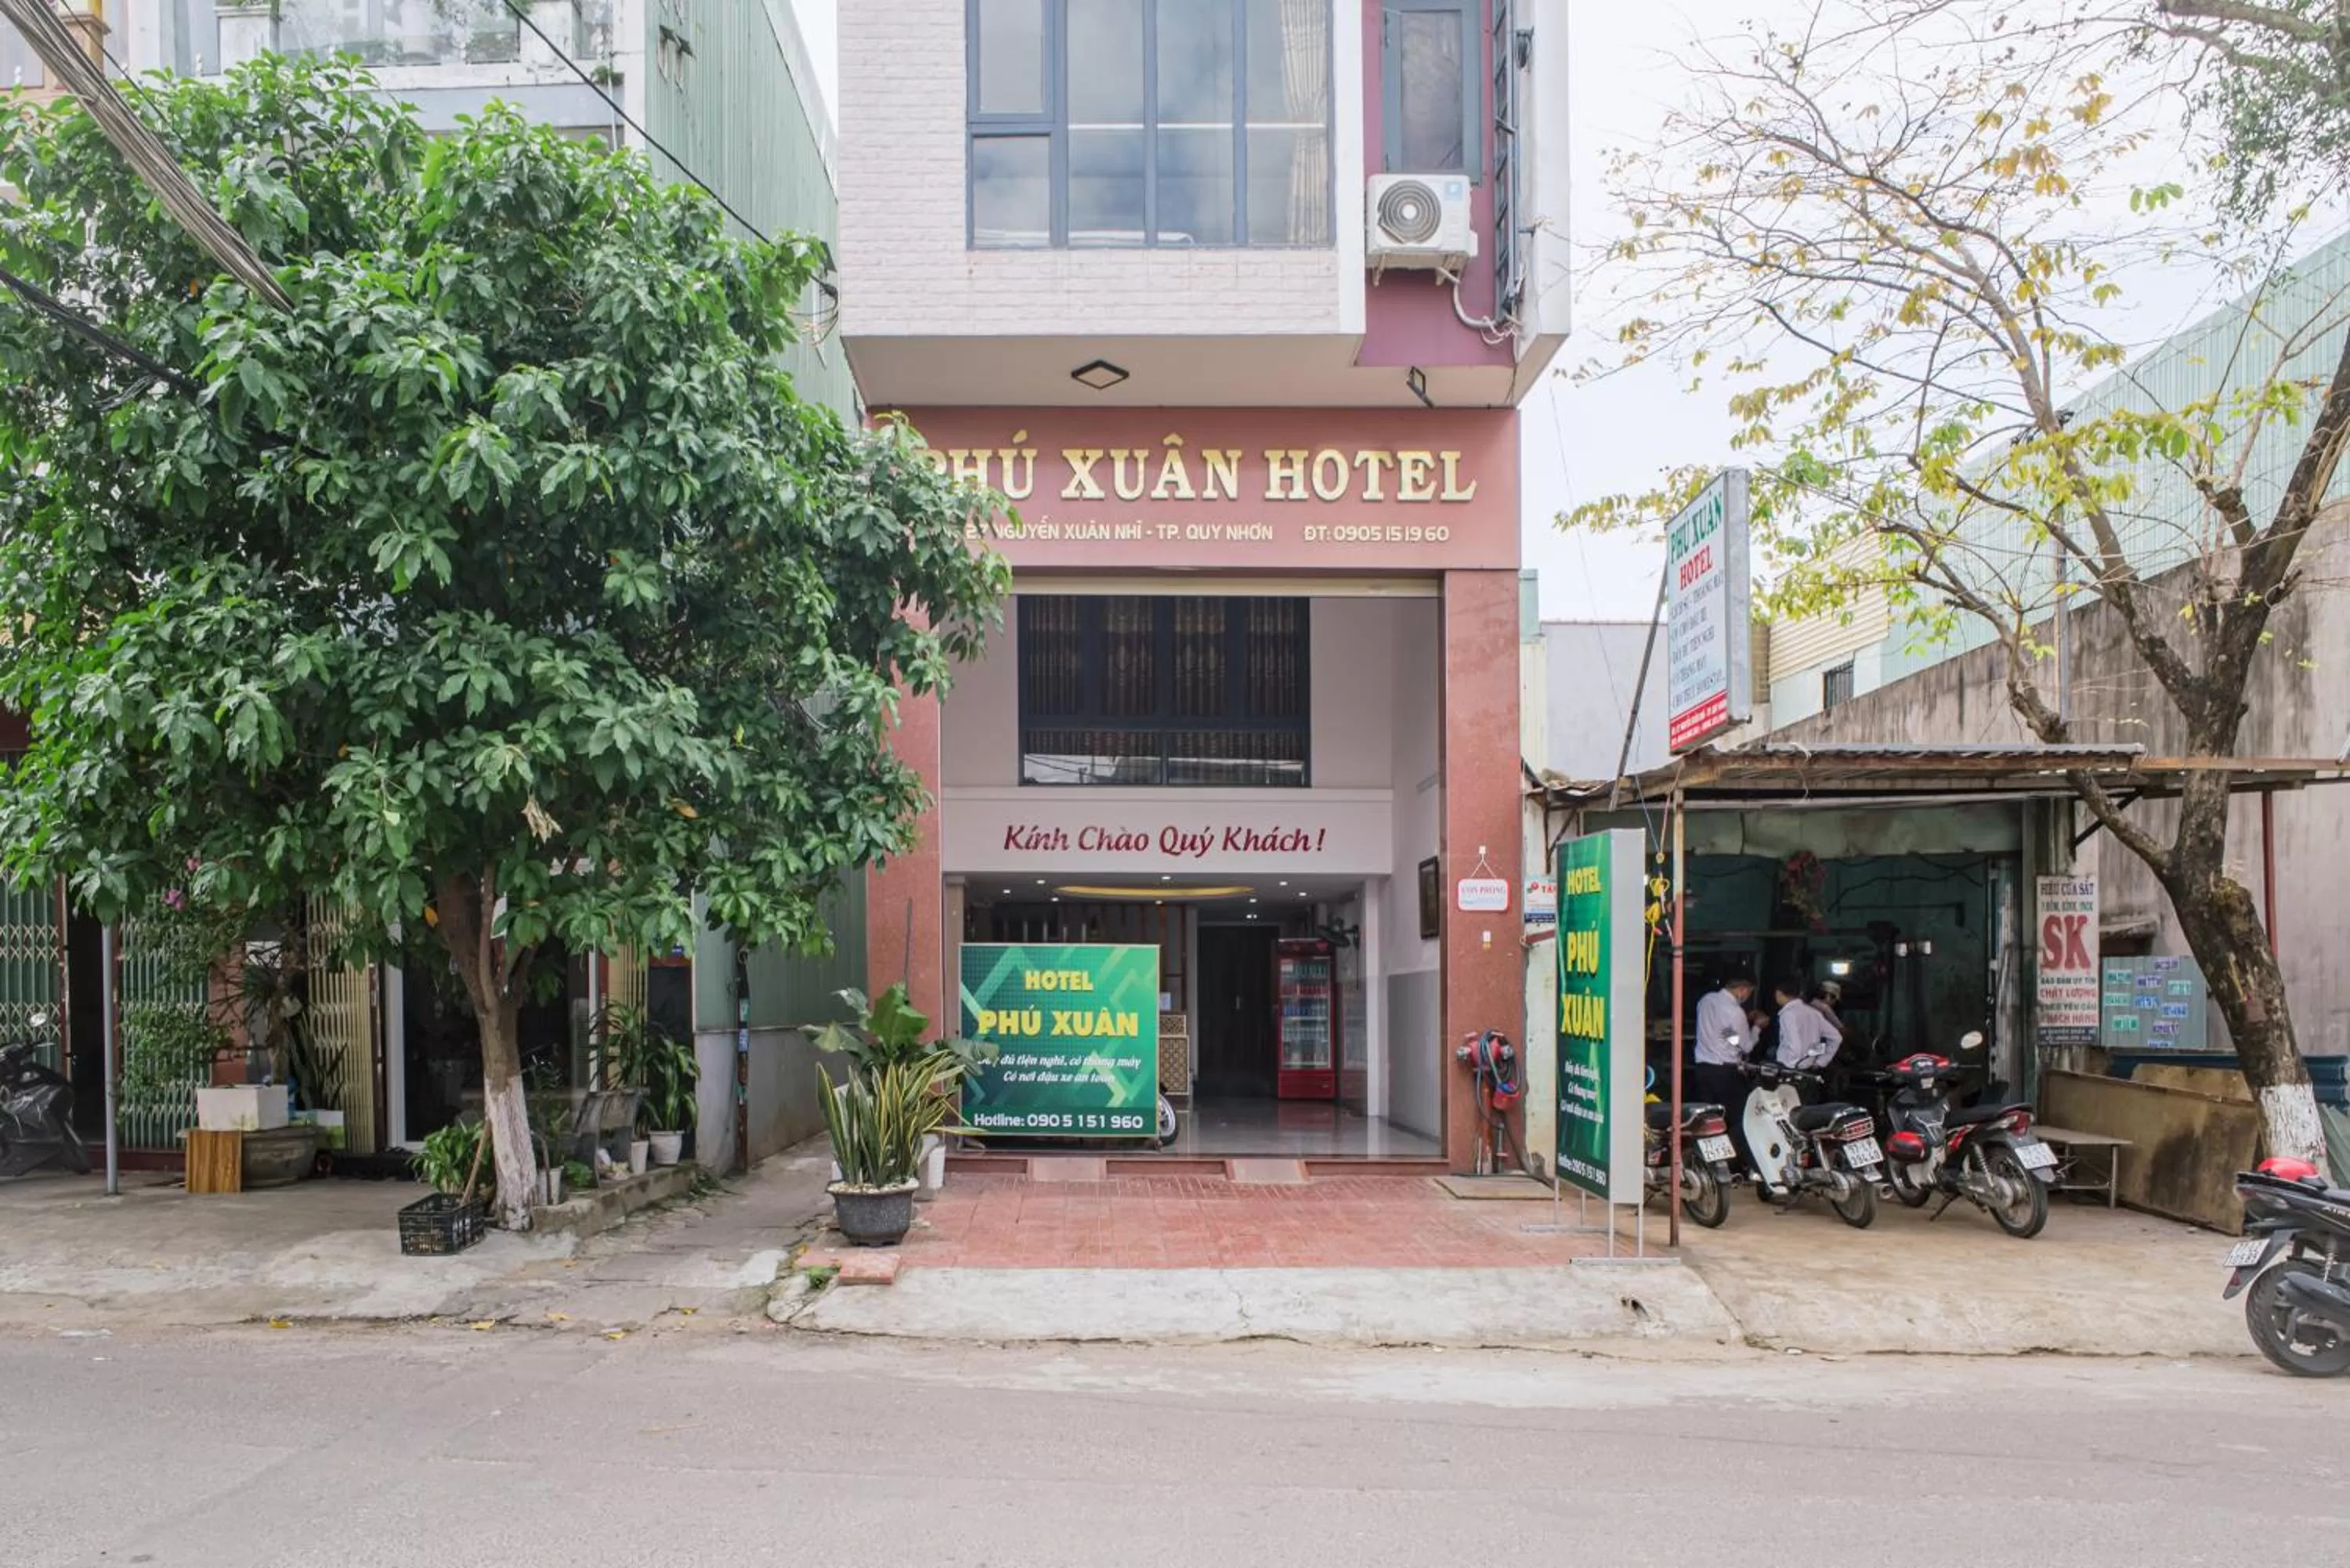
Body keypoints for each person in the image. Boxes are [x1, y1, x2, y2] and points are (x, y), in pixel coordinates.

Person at [1690, 975, 1759, 1155]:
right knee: (1737, 1118)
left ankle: (1709, 1158)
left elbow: (1725, 1032)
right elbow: (1746, 1046)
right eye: (1749, 993)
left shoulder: (1705, 1000)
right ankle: (1736, 1161)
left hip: (1704, 1068)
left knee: (1709, 1118)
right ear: (1743, 990)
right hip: (1726, 1072)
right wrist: (1757, 1027)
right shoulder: (1735, 1012)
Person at [1771, 977, 1842, 1071]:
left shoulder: (1788, 1014)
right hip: (1809, 1067)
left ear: (1778, 993)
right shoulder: (1815, 1013)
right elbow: (1837, 1038)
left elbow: (1795, 1045)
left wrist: (1793, 1063)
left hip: (1789, 1067)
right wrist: (1820, 1062)